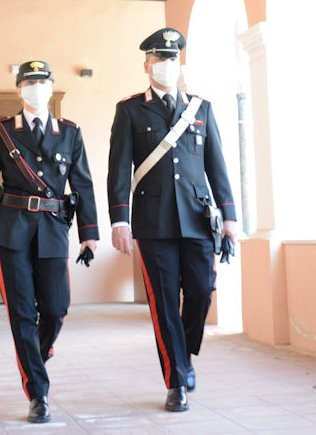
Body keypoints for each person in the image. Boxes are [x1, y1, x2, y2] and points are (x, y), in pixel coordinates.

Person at [107, 28, 237, 412]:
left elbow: (217, 166)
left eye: (172, 58)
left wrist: (230, 216)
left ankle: (184, 353)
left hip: (198, 219)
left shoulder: (201, 109)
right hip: (153, 224)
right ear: (146, 65)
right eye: (159, 58)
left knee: (201, 291)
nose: (166, 64)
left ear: (179, 63)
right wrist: (119, 220)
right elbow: (118, 170)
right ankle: (176, 380)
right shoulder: (130, 110)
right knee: (164, 302)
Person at [0, 60, 99, 423]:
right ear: (19, 89)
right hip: (11, 232)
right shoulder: (2, 131)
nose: (36, 88)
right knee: (22, 313)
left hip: (53, 229)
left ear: (51, 87)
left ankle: (33, 358)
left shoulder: (69, 132)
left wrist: (89, 233)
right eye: (29, 82)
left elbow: (83, 184)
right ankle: (38, 393)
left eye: (42, 82)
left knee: (56, 309)